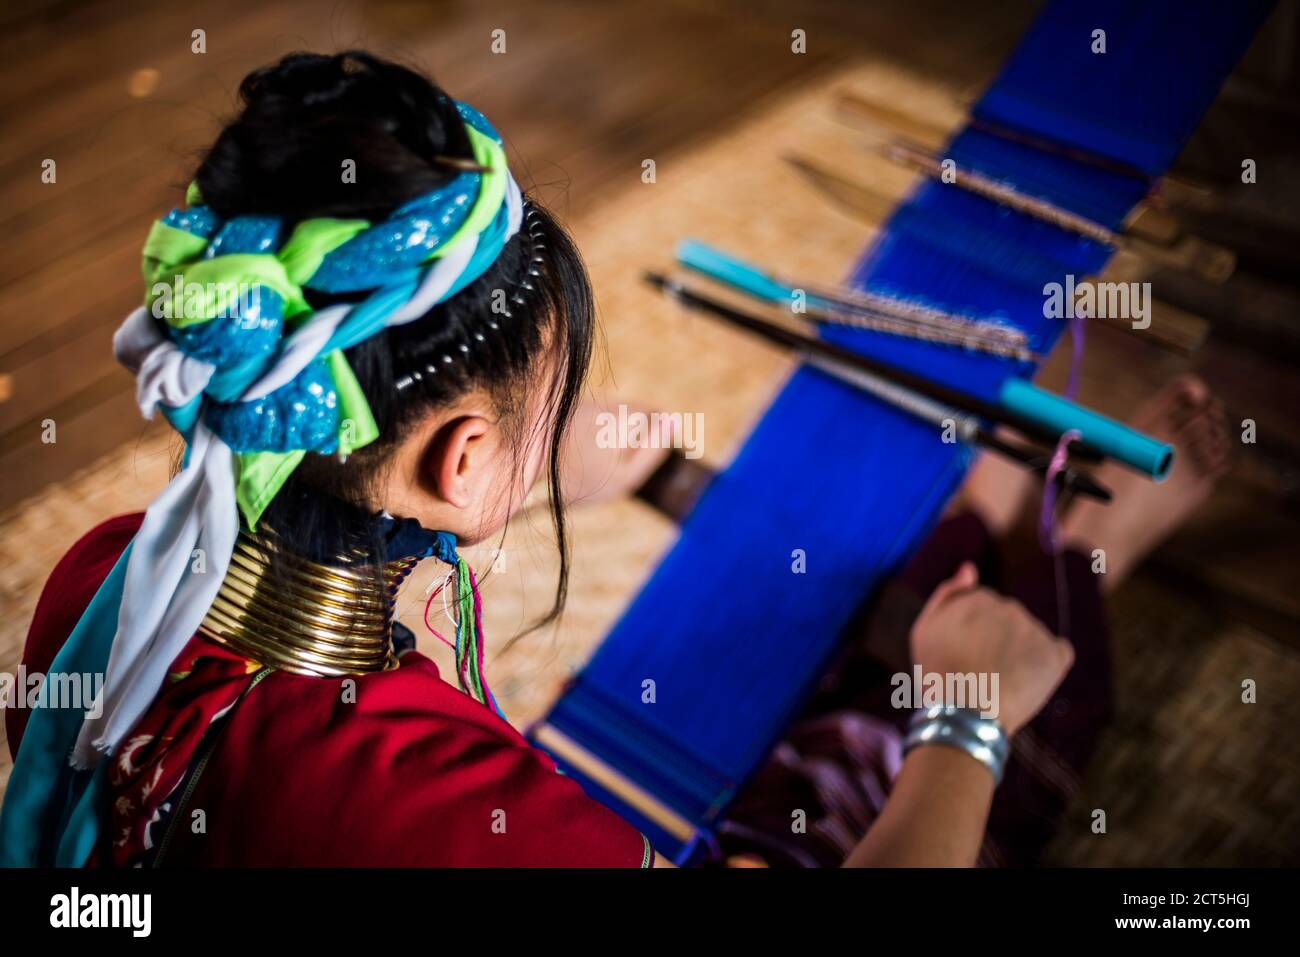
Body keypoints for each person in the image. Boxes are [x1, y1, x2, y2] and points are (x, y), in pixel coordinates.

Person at [0, 51, 1229, 868]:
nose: (568, 429)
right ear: (460, 459)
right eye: (551, 403)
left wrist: (508, 479)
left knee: (853, 648)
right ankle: (1084, 554)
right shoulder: (447, 817)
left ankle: (992, 511)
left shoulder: (109, 577)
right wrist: (965, 727)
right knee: (964, 718)